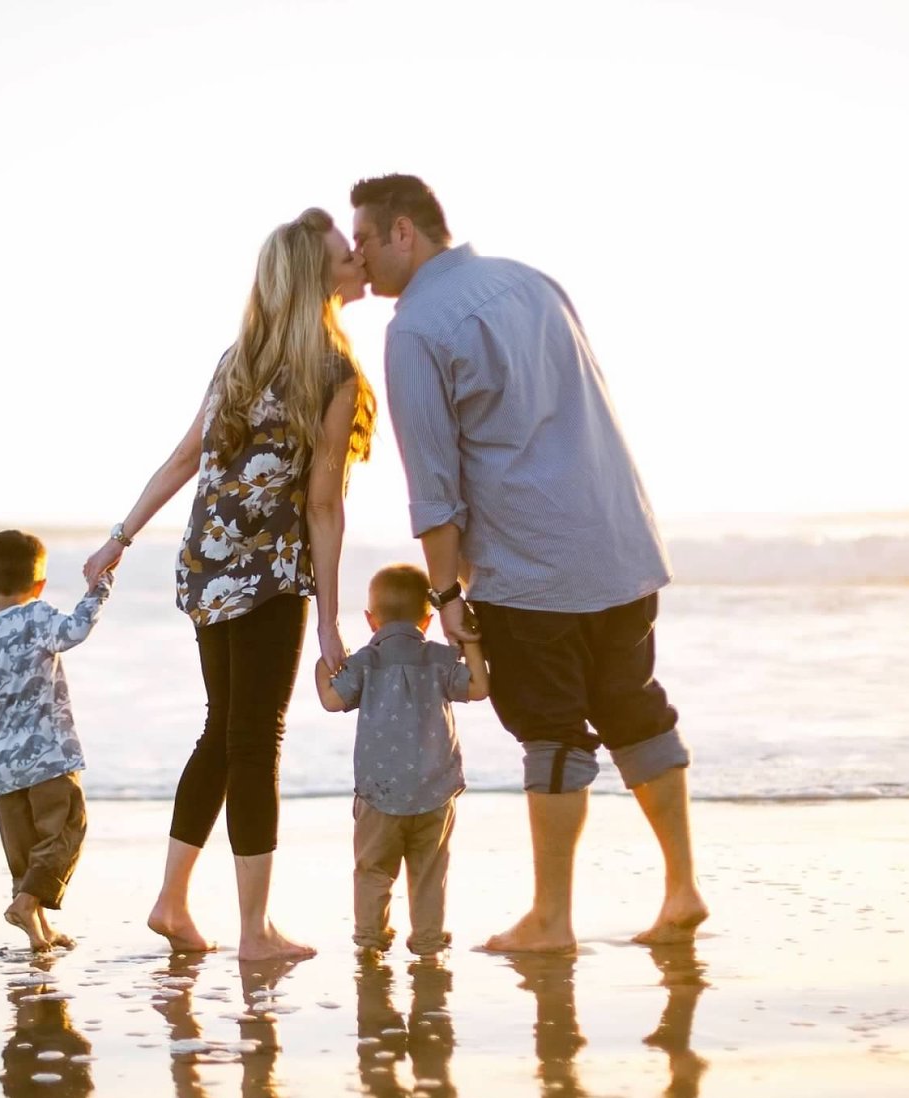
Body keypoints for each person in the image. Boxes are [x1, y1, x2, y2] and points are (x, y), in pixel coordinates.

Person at [349, 173, 709, 953]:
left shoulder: (415, 329)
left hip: (531, 564)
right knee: (633, 706)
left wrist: (446, 595)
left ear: (403, 231)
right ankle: (682, 888)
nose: (361, 259)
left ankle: (551, 918)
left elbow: (433, 487)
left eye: (367, 241)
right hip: (618, 541)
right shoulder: (532, 282)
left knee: (550, 729)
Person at [83, 207, 376, 961]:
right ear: (319, 276)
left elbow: (184, 461)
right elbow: (322, 503)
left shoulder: (237, 359)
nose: (358, 264)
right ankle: (254, 933)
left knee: (223, 728)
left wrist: (120, 538)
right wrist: (332, 622)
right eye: (346, 256)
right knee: (256, 741)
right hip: (271, 577)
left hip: (207, 568)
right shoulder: (332, 372)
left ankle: (173, 902)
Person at [313, 562, 488, 956]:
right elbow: (479, 688)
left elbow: (332, 700)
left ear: (371, 620)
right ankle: (427, 939)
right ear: (427, 621)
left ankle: (371, 938)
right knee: (429, 871)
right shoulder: (441, 660)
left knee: (373, 869)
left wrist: (323, 667)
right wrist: (470, 643)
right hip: (435, 791)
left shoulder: (364, 662)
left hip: (379, 793)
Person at [0, 529, 111, 952]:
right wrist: (101, 587)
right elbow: (76, 629)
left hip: (5, 769)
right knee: (66, 829)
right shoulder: (38, 617)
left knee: (24, 850)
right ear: (39, 585)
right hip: (51, 758)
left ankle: (38, 929)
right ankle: (27, 904)